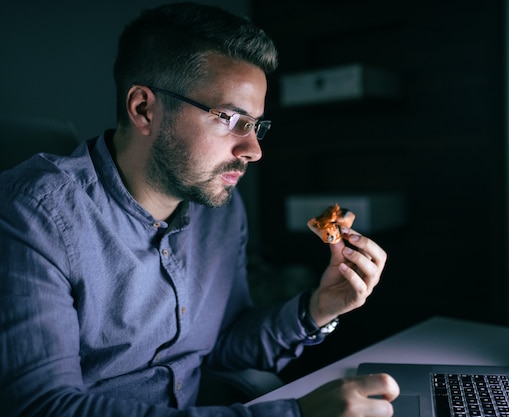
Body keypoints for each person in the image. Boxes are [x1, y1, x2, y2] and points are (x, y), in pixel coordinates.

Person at [0, 3, 399, 417]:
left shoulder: (221, 209)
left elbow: (222, 342)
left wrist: (319, 307)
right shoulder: (34, 214)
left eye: (257, 125)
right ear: (144, 109)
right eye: (230, 119)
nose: (254, 150)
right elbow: (42, 407)